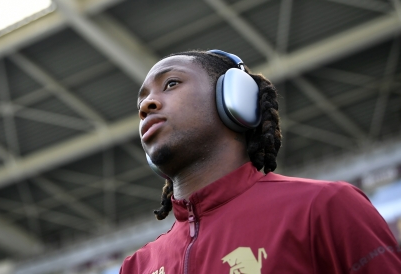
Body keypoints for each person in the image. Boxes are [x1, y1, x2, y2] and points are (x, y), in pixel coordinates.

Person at [119, 50, 401, 273]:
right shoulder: (137, 267)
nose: (147, 106)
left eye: (171, 84)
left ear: (233, 98)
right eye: (141, 104)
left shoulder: (325, 206)